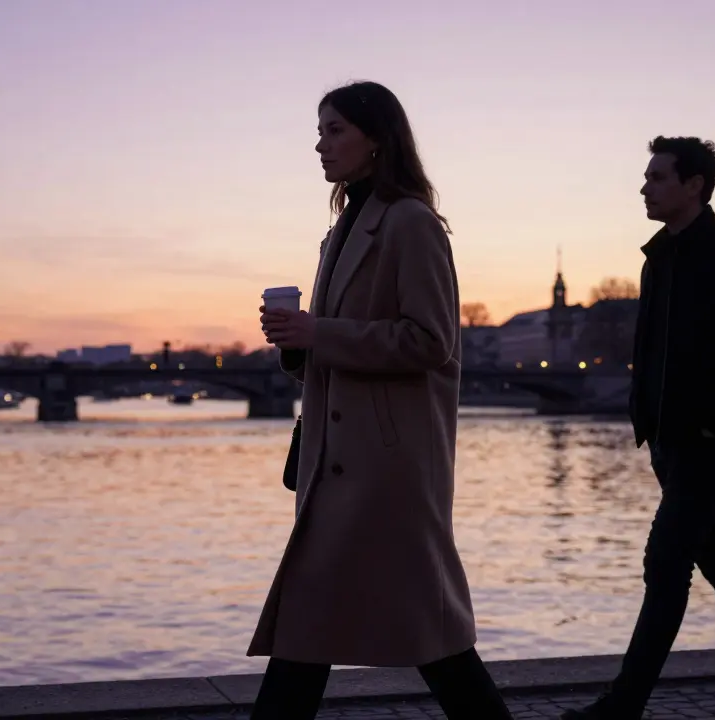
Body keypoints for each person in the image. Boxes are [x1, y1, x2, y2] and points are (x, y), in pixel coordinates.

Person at [250, 80, 513, 720]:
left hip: (385, 469)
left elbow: (430, 342)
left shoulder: (412, 224)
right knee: (320, 630)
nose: (320, 143)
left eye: (335, 129)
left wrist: (320, 333)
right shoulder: (342, 229)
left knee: (422, 634)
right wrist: (297, 345)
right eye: (320, 130)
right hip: (339, 461)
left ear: (377, 139)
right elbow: (341, 352)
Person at [561, 137, 715, 720]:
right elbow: (650, 348)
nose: (644, 187)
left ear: (694, 184)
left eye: (656, 176)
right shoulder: (658, 260)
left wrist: (711, 423)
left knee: (666, 560)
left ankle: (624, 704)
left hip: (712, 439)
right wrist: (647, 419)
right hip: (670, 440)